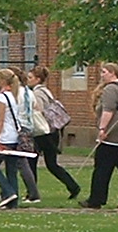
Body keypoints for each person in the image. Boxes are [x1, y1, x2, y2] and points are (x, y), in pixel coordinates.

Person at [81, 62, 118, 210]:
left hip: (114, 135)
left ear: (113, 73)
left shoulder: (110, 89)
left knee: (102, 168)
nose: (102, 75)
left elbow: (109, 110)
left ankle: (96, 199)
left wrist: (102, 129)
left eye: (104, 72)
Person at [0, 67, 40, 209]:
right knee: (11, 169)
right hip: (14, 136)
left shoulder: (2, 98)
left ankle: (8, 193)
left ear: (2, 81)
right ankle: (13, 201)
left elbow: (0, 120)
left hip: (6, 137)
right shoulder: (11, 96)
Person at [25, 65, 80, 200]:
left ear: (38, 79)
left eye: (30, 77)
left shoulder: (37, 93)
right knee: (51, 164)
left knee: (32, 161)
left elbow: (39, 112)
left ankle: (32, 193)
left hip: (42, 132)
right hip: (51, 132)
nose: (28, 80)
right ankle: (72, 186)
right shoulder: (46, 91)